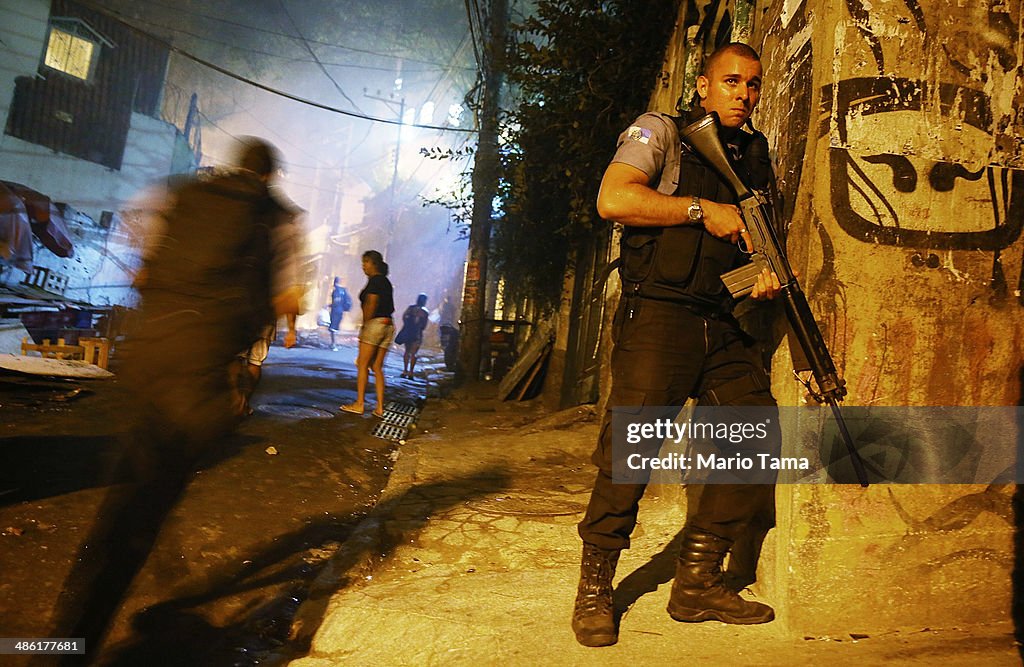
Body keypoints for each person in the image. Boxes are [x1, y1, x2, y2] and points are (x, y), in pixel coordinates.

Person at [47, 137, 302, 655]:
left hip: (148, 355)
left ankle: (75, 632)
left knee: (134, 492)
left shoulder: (186, 193)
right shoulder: (275, 215)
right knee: (141, 506)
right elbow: (285, 299)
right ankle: (68, 645)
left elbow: (143, 266)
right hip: (197, 374)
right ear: (270, 175)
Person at [572, 42, 784, 648]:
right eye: (731, 81)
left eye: (753, 84)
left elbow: (749, 248)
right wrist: (700, 209)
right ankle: (595, 590)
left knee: (754, 437)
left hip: (722, 320)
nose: (743, 94)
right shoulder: (660, 132)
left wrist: (763, 275)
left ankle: (695, 585)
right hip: (658, 317)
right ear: (702, 84)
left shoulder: (755, 153)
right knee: (630, 455)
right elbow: (614, 199)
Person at [340, 250, 394, 417]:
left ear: (374, 264)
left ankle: (360, 404)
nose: (363, 266)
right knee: (377, 367)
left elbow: (371, 302)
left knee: (362, 364)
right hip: (388, 323)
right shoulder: (386, 282)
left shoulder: (375, 281)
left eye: (366, 262)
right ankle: (379, 407)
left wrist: (365, 325)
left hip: (375, 323)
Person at [396, 293, 429, 378]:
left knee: (407, 351)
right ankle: (411, 372)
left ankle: (405, 370)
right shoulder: (425, 312)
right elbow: (424, 326)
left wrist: (408, 324)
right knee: (414, 353)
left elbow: (404, 317)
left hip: (409, 332)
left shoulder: (411, 308)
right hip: (417, 334)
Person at [328, 276, 352, 350]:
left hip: (335, 310)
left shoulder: (336, 291)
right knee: (336, 327)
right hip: (341, 310)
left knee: (333, 328)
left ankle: (333, 344)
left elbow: (336, 301)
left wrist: (329, 305)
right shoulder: (343, 290)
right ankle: (334, 344)